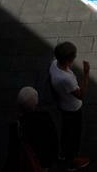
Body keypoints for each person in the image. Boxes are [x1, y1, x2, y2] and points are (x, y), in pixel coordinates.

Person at [49, 42, 90, 171]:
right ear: (69, 59)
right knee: (74, 135)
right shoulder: (66, 79)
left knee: (66, 131)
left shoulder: (53, 65)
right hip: (72, 108)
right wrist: (86, 73)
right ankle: (73, 161)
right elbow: (81, 94)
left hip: (63, 104)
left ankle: (62, 153)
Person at [15, 86, 58, 171]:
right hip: (43, 160)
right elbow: (53, 140)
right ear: (35, 103)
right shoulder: (45, 119)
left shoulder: (21, 122)